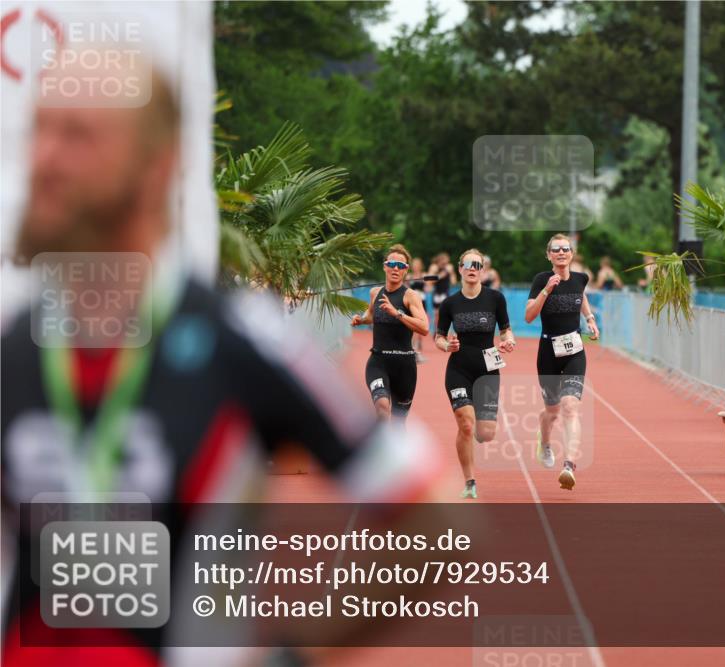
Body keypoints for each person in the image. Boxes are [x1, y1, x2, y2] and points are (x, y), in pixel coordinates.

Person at [0, 55, 441, 664]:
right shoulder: (14, 345)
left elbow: (438, 521)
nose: (44, 159)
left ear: (158, 165)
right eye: (39, 130)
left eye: (77, 136)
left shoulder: (239, 339)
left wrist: (293, 656)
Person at [434, 249, 515, 499]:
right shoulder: (450, 303)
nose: (472, 268)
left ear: (483, 270)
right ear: (460, 268)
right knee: (466, 424)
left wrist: (508, 340)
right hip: (458, 369)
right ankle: (470, 482)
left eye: (477, 264)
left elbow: (506, 330)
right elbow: (438, 337)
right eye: (468, 264)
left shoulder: (495, 298)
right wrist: (447, 345)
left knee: (486, 433)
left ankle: (478, 433)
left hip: (488, 370)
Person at [525, 234, 599, 490]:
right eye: (555, 249)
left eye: (565, 249)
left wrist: (590, 319)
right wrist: (547, 290)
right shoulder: (541, 280)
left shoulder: (580, 279)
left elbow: (581, 296)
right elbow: (528, 316)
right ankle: (544, 441)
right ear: (549, 255)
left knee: (570, 406)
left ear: (571, 253)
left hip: (575, 351)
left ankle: (569, 465)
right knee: (552, 412)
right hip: (548, 352)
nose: (561, 252)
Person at [351, 244, 429, 422]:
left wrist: (397, 313)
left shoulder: (410, 296)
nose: (396, 268)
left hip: (404, 366)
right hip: (378, 362)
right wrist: (361, 320)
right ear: (385, 266)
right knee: (382, 407)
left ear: (406, 270)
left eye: (400, 265)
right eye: (392, 264)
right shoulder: (375, 292)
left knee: (398, 423)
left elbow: (424, 327)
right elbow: (371, 315)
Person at [408, 257, 430, 362]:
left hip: (422, 302)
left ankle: (415, 345)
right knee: (413, 325)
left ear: (420, 266)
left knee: (420, 324)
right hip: (412, 303)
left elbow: (428, 288)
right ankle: (413, 347)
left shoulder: (424, 275)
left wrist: (426, 287)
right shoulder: (409, 277)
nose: (415, 267)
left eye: (417, 265)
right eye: (414, 265)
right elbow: (406, 289)